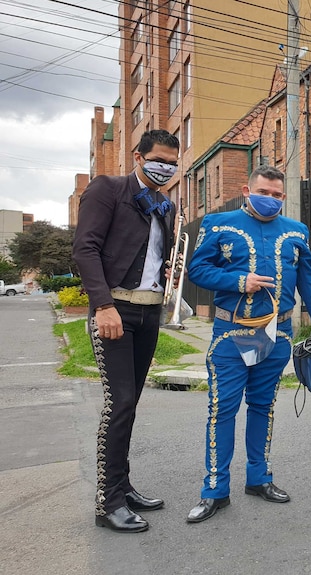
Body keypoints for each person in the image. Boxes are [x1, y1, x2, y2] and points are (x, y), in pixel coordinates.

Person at [185, 166, 311, 523]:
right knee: (222, 410)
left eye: (278, 195)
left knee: (263, 407)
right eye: (264, 192)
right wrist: (239, 281)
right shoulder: (219, 224)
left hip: (276, 335)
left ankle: (258, 478)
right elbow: (197, 270)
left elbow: (309, 283)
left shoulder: (296, 231)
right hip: (230, 334)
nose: (271, 200)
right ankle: (215, 490)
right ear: (247, 190)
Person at [73, 129, 181, 533]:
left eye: (172, 163)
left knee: (131, 404)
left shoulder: (166, 206)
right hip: (113, 308)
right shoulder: (108, 188)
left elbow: (151, 255)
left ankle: (124, 485)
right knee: (118, 403)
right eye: (159, 159)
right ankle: (108, 501)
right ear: (138, 156)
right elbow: (85, 248)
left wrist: (165, 270)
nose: (165, 168)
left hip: (149, 313)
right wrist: (102, 305)